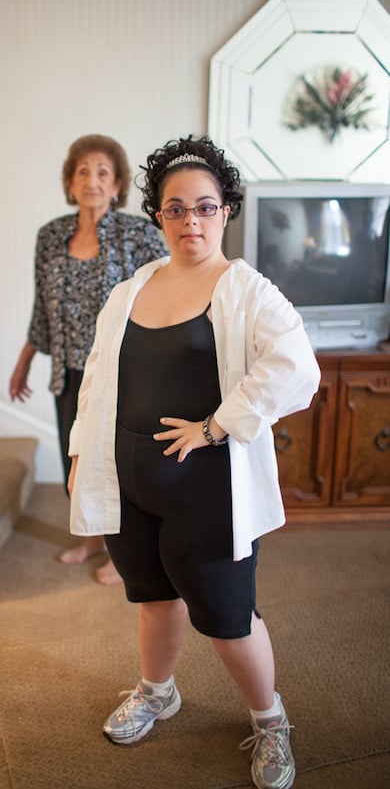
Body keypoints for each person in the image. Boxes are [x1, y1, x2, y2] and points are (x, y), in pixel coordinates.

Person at [67, 136, 321, 789]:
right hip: (132, 485)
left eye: (205, 207)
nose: (191, 222)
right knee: (153, 599)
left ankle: (270, 719)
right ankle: (158, 689)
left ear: (227, 211)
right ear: (157, 215)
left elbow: (297, 368)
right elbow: (97, 378)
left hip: (208, 491)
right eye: (176, 209)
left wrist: (216, 424)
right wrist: (78, 455)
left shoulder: (245, 290)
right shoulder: (131, 290)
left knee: (229, 620)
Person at [9, 134, 167, 585]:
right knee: (74, 461)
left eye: (102, 172)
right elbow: (42, 305)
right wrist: (24, 361)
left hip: (122, 373)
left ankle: (123, 554)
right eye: (83, 171)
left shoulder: (137, 233)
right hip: (69, 371)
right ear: (69, 181)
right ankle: (93, 538)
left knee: (116, 466)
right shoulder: (51, 235)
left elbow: (166, 292)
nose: (92, 180)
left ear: (117, 184)